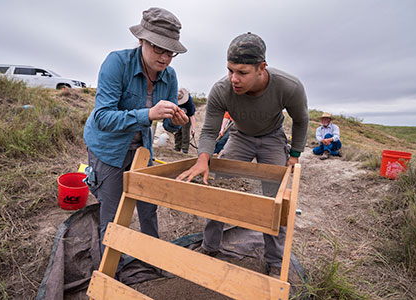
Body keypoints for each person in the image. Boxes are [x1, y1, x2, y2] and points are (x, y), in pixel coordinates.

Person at [177, 32, 309, 276]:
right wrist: (203, 159)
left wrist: (295, 154)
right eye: (230, 70)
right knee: (220, 192)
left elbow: (301, 120)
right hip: (240, 137)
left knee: (274, 202)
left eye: (242, 72)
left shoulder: (288, 86)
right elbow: (208, 129)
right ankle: (210, 246)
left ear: (261, 68)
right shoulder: (221, 90)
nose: (234, 79)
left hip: (272, 138)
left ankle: (275, 260)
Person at [83, 7, 189, 259]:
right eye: (158, 48)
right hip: (108, 150)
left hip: (142, 151)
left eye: (170, 52)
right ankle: (108, 271)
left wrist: (177, 122)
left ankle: (152, 258)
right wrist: (147, 114)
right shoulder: (116, 63)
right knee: (113, 214)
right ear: (142, 40)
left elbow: (167, 124)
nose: (164, 58)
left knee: (148, 204)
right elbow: (103, 118)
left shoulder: (170, 76)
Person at [174, 88, 196, 153]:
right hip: (178, 116)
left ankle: (185, 149)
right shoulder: (174, 99)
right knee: (177, 132)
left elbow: (192, 115)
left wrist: (193, 128)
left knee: (185, 132)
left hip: (187, 117)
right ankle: (177, 148)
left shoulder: (189, 102)